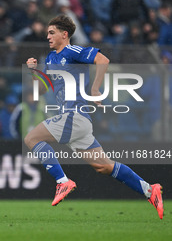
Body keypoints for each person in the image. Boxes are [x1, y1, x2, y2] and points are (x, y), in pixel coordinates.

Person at [25, 14, 163, 219]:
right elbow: (43, 89)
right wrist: (34, 72)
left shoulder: (72, 51)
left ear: (65, 34)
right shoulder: (52, 59)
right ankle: (150, 190)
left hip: (74, 117)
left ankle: (63, 182)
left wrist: (96, 89)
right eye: (47, 33)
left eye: (52, 32)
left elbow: (102, 59)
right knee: (104, 166)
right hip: (77, 122)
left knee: (31, 138)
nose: (48, 36)